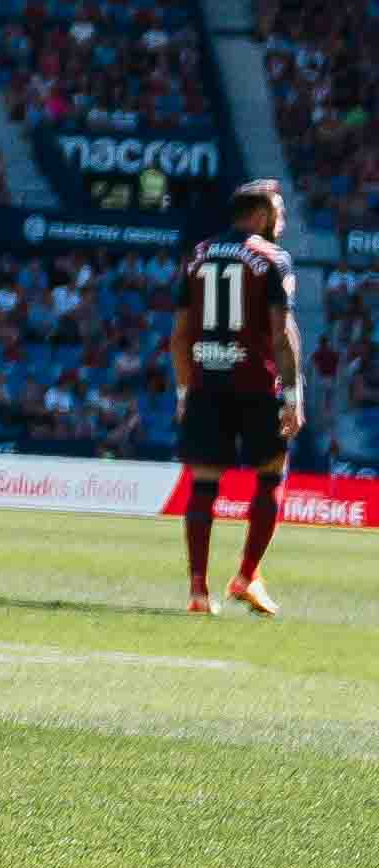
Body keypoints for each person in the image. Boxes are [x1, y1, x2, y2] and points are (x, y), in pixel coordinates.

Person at [170, 178, 300, 618]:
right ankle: (246, 576)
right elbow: (282, 335)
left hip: (207, 382)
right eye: (278, 212)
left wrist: (185, 390)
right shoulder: (271, 258)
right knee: (270, 475)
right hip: (256, 384)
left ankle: (198, 592)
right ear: (261, 214)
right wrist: (293, 396)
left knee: (204, 483)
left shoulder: (198, 255)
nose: (282, 221)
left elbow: (179, 336)